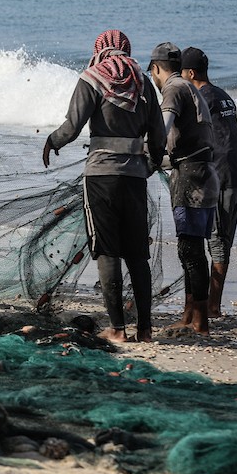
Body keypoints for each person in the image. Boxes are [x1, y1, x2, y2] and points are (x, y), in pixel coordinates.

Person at [43, 30, 165, 344]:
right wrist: (147, 167)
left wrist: (51, 141)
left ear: (99, 50)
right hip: (135, 179)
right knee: (138, 255)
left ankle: (118, 329)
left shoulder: (92, 78)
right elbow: (159, 139)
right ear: (127, 49)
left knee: (108, 252)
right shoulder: (144, 83)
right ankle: (146, 330)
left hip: (100, 177)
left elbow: (72, 127)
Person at [147, 42, 220, 335]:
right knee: (192, 249)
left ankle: (200, 321)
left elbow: (161, 132)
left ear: (155, 69)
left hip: (190, 179)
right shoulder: (188, 87)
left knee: (190, 251)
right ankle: (190, 314)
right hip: (205, 174)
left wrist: (146, 155)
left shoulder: (172, 89)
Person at [181, 47, 237, 318]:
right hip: (236, 176)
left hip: (217, 177)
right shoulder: (223, 95)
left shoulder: (201, 98)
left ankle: (212, 307)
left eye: (181, 73)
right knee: (222, 240)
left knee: (214, 241)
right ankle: (211, 304)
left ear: (191, 73)